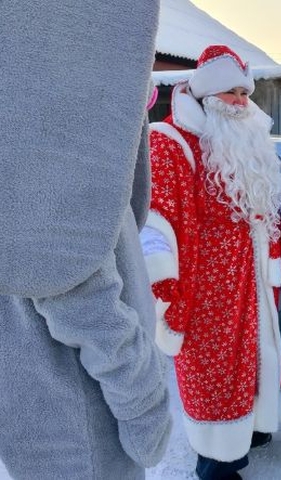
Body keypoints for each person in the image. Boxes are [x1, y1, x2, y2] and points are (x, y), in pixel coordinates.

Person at [0, 2, 172, 479]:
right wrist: (147, 409)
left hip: (36, 420)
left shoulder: (24, 145)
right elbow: (84, 303)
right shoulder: (57, 167)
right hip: (82, 438)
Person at [141, 45, 281, 480]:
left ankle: (241, 444)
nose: (241, 102)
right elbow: (155, 218)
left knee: (251, 365)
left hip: (252, 282)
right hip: (205, 289)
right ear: (206, 95)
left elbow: (266, 210)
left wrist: (272, 261)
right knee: (211, 377)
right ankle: (215, 464)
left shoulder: (247, 139)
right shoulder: (171, 141)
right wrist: (162, 283)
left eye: (245, 92)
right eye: (231, 93)